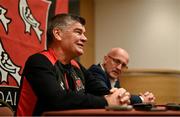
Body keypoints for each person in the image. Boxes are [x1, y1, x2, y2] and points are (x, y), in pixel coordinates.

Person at [15, 14, 130, 116]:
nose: (85, 39)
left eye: (84, 34)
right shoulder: (38, 61)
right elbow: (57, 99)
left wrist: (126, 97)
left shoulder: (77, 66)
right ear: (58, 34)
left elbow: (103, 91)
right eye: (78, 32)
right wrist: (106, 102)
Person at [88, 47, 155, 105]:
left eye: (123, 65)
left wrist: (143, 99)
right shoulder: (96, 71)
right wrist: (141, 99)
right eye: (116, 61)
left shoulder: (114, 78)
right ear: (105, 59)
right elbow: (111, 95)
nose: (119, 68)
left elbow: (122, 97)